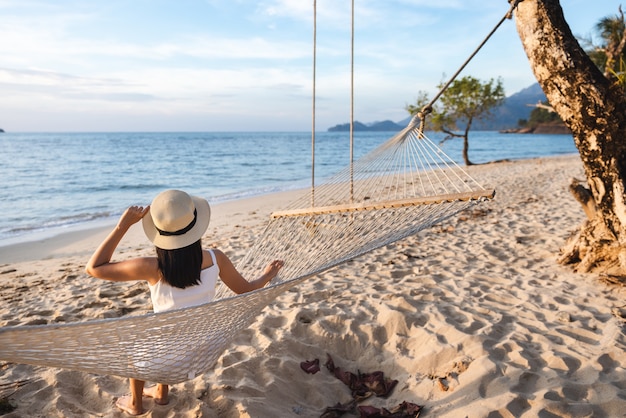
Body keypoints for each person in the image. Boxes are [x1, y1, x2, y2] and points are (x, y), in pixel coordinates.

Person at [85, 189, 284, 416]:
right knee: (170, 332)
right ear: (195, 225)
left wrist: (123, 226)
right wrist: (266, 276)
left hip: (166, 360)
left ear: (159, 233)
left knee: (138, 343)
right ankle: (160, 394)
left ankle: (135, 405)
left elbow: (94, 268)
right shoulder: (216, 258)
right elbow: (245, 289)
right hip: (202, 354)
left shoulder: (152, 267)